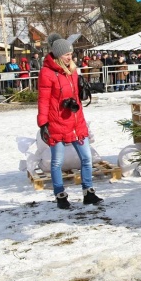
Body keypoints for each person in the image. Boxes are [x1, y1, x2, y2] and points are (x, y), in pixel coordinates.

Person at [37, 38, 103, 209]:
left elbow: (75, 94)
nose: (70, 57)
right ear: (59, 55)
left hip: (76, 121)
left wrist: (83, 90)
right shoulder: (46, 72)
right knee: (57, 162)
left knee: (87, 158)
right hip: (57, 122)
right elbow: (43, 100)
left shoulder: (73, 70)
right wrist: (43, 123)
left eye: (71, 54)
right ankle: (60, 195)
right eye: (67, 54)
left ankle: (88, 192)